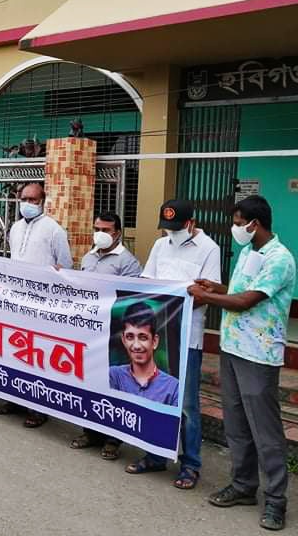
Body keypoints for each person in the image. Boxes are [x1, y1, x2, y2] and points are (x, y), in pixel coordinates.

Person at [188, 195, 296, 532]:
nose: (235, 229)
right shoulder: (249, 252)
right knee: (236, 424)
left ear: (255, 224)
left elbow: (247, 300)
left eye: (238, 223)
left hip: (259, 354)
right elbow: (238, 289)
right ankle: (243, 485)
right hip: (233, 348)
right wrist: (216, 287)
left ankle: (276, 500)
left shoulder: (279, 258)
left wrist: (206, 297)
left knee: (265, 430)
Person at [124, 200, 221, 488]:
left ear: (191, 223)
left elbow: (206, 294)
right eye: (168, 228)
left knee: (187, 404)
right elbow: (147, 283)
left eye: (177, 228)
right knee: (155, 396)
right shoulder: (160, 245)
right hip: (157, 336)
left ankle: (190, 464)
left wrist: (173, 301)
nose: (172, 233)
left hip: (187, 337)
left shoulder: (209, 248)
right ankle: (155, 455)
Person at [0, 182, 73, 428]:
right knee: (15, 350)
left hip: (42, 304)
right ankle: (14, 400)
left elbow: (66, 266)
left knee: (38, 355)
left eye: (33, 200)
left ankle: (38, 407)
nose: (28, 204)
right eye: (25, 199)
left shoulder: (54, 230)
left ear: (42, 201)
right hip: (16, 300)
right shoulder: (15, 228)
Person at [69, 212, 144, 459]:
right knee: (90, 382)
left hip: (114, 333)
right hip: (89, 331)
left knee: (115, 385)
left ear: (118, 233)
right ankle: (90, 432)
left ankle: (113, 439)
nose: (100, 234)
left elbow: (131, 298)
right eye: (97, 229)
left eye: (106, 230)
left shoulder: (128, 262)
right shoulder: (88, 257)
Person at [108, 301, 180, 405]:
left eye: (143, 338)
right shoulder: (113, 376)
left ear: (154, 341)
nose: (136, 346)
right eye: (130, 337)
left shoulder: (173, 388)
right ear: (124, 340)